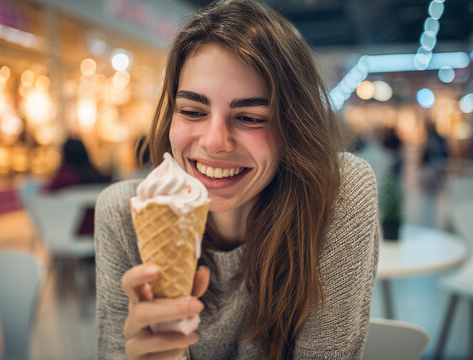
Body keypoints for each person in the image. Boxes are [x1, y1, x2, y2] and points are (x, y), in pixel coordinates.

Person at [94, 1, 379, 359]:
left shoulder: (337, 194)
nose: (214, 141)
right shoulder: (123, 214)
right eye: (192, 111)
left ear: (294, 126)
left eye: (250, 117)